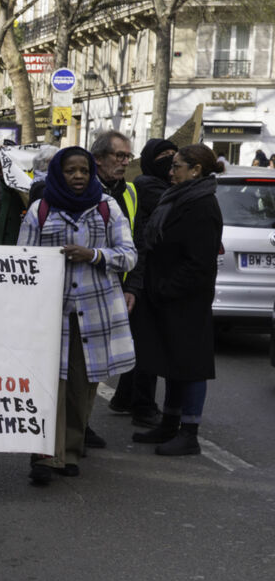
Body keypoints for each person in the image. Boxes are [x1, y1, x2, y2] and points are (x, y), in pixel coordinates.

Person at [19, 147, 136, 486]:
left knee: (81, 387)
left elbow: (129, 255)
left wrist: (93, 255)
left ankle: (70, 451)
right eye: (70, 171)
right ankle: (45, 455)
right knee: (48, 383)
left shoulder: (107, 207)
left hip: (94, 313)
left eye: (83, 170)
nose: (78, 176)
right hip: (51, 312)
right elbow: (22, 259)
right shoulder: (40, 210)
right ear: (59, 173)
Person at [127, 144, 224, 456]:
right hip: (167, 296)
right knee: (172, 362)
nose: (171, 172)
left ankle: (189, 433)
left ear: (196, 170)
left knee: (191, 366)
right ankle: (169, 424)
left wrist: (167, 288)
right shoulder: (180, 196)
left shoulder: (202, 204)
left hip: (186, 299)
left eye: (177, 166)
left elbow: (199, 262)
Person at [110, 138, 177, 425]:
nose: (169, 160)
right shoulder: (151, 187)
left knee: (141, 340)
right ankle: (143, 405)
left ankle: (125, 397)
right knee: (148, 344)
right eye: (163, 155)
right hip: (146, 274)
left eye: (173, 155)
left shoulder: (152, 187)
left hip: (145, 273)